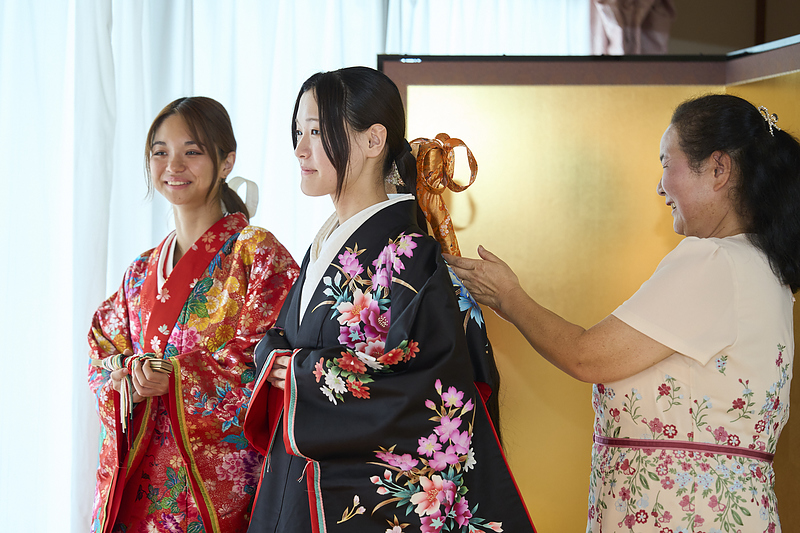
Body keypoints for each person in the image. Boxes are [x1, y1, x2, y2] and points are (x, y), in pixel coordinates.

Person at [446, 94, 800, 533]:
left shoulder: (713, 262)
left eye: (666, 163)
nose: (660, 187)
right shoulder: (762, 266)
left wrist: (508, 296)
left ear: (718, 169)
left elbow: (587, 355)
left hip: (685, 516)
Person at [242, 67, 536, 532]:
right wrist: (274, 355)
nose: (300, 149)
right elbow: (287, 337)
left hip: (362, 498)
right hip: (302, 483)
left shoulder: (410, 252)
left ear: (373, 140)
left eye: (316, 131)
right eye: (298, 132)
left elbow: (423, 379)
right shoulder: (324, 246)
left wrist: (299, 373)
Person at [88, 96, 299, 533]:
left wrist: (177, 377)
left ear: (226, 162)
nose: (174, 165)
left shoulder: (257, 254)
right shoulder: (140, 271)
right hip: (142, 482)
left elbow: (273, 360)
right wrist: (128, 377)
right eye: (160, 152)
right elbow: (103, 353)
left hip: (216, 492)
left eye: (192, 151)